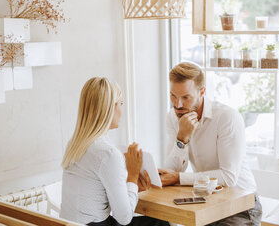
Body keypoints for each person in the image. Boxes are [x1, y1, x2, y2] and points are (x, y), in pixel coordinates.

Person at [159, 62, 262, 225]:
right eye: (173, 95)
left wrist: (179, 178)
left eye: (186, 97)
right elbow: (171, 171)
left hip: (241, 206)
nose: (178, 105)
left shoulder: (226, 117)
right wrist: (182, 138)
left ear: (202, 92)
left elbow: (228, 178)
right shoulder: (173, 117)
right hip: (208, 201)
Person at [60, 77, 169, 226]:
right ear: (109, 108)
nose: (122, 110)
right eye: (120, 103)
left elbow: (95, 189)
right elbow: (124, 217)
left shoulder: (74, 144)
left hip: (68, 224)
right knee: (159, 221)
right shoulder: (108, 153)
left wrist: (131, 184)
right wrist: (132, 176)